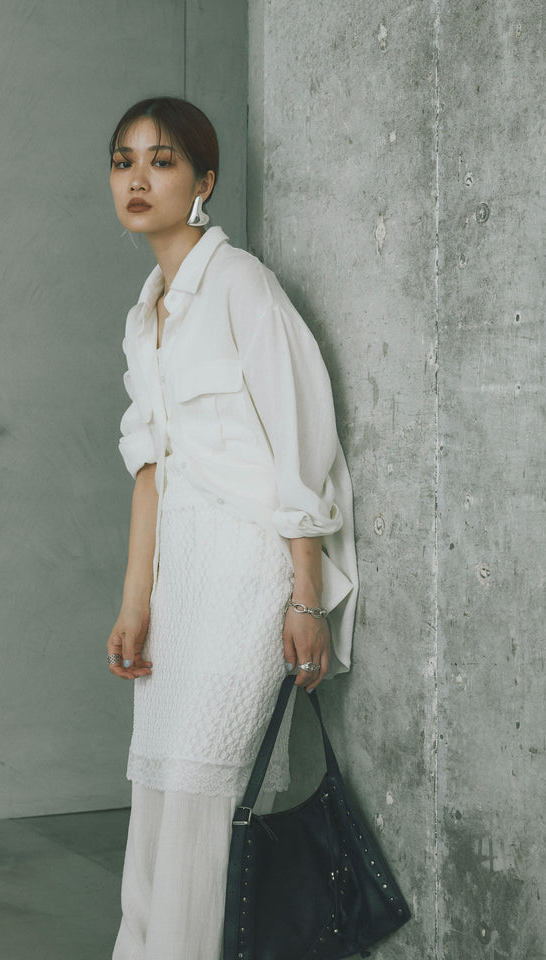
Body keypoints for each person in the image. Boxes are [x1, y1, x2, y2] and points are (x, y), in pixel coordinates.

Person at [106, 97, 358, 960]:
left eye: (162, 161)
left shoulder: (242, 284)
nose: (138, 179)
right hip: (180, 572)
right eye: (124, 161)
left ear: (204, 182)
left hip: (252, 567)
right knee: (158, 788)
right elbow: (150, 468)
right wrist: (135, 601)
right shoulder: (145, 317)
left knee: (204, 791)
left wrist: (306, 597)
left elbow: (301, 444)